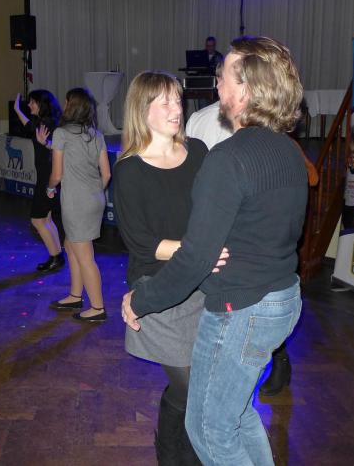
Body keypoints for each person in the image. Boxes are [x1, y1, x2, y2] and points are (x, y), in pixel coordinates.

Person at [122, 36, 308, 465]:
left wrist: (141, 300)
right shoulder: (286, 149)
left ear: (244, 89)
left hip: (241, 311)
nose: (217, 83)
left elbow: (195, 258)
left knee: (209, 430)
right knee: (237, 415)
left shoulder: (226, 158)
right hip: (282, 298)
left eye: (223, 76)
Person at [186, 91, 318, 400]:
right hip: (236, 263)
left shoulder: (268, 136)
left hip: (248, 270)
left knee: (221, 407)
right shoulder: (203, 122)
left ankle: (275, 361)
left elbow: (310, 177)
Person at [114, 71, 214, 464]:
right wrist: (199, 251)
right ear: (142, 110)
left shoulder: (199, 151)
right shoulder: (129, 169)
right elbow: (143, 243)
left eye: (178, 99)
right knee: (190, 385)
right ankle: (175, 454)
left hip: (203, 282)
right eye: (165, 102)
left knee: (198, 384)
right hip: (158, 288)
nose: (177, 109)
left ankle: (172, 449)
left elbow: (214, 211)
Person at [47, 88, 110, 322]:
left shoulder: (61, 133)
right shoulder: (96, 135)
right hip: (95, 198)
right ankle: (75, 295)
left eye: (66, 102)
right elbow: (106, 174)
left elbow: (56, 174)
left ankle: (98, 308)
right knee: (70, 245)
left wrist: (49, 188)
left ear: (70, 105)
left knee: (85, 256)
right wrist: (93, 192)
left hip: (76, 202)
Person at [13, 90, 64, 272]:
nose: (29, 105)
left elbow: (56, 148)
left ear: (41, 104)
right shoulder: (46, 122)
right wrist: (17, 110)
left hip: (47, 179)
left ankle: (55, 257)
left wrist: (46, 144)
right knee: (46, 219)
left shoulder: (47, 124)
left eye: (32, 102)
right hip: (47, 176)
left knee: (37, 220)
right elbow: (29, 127)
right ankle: (57, 256)